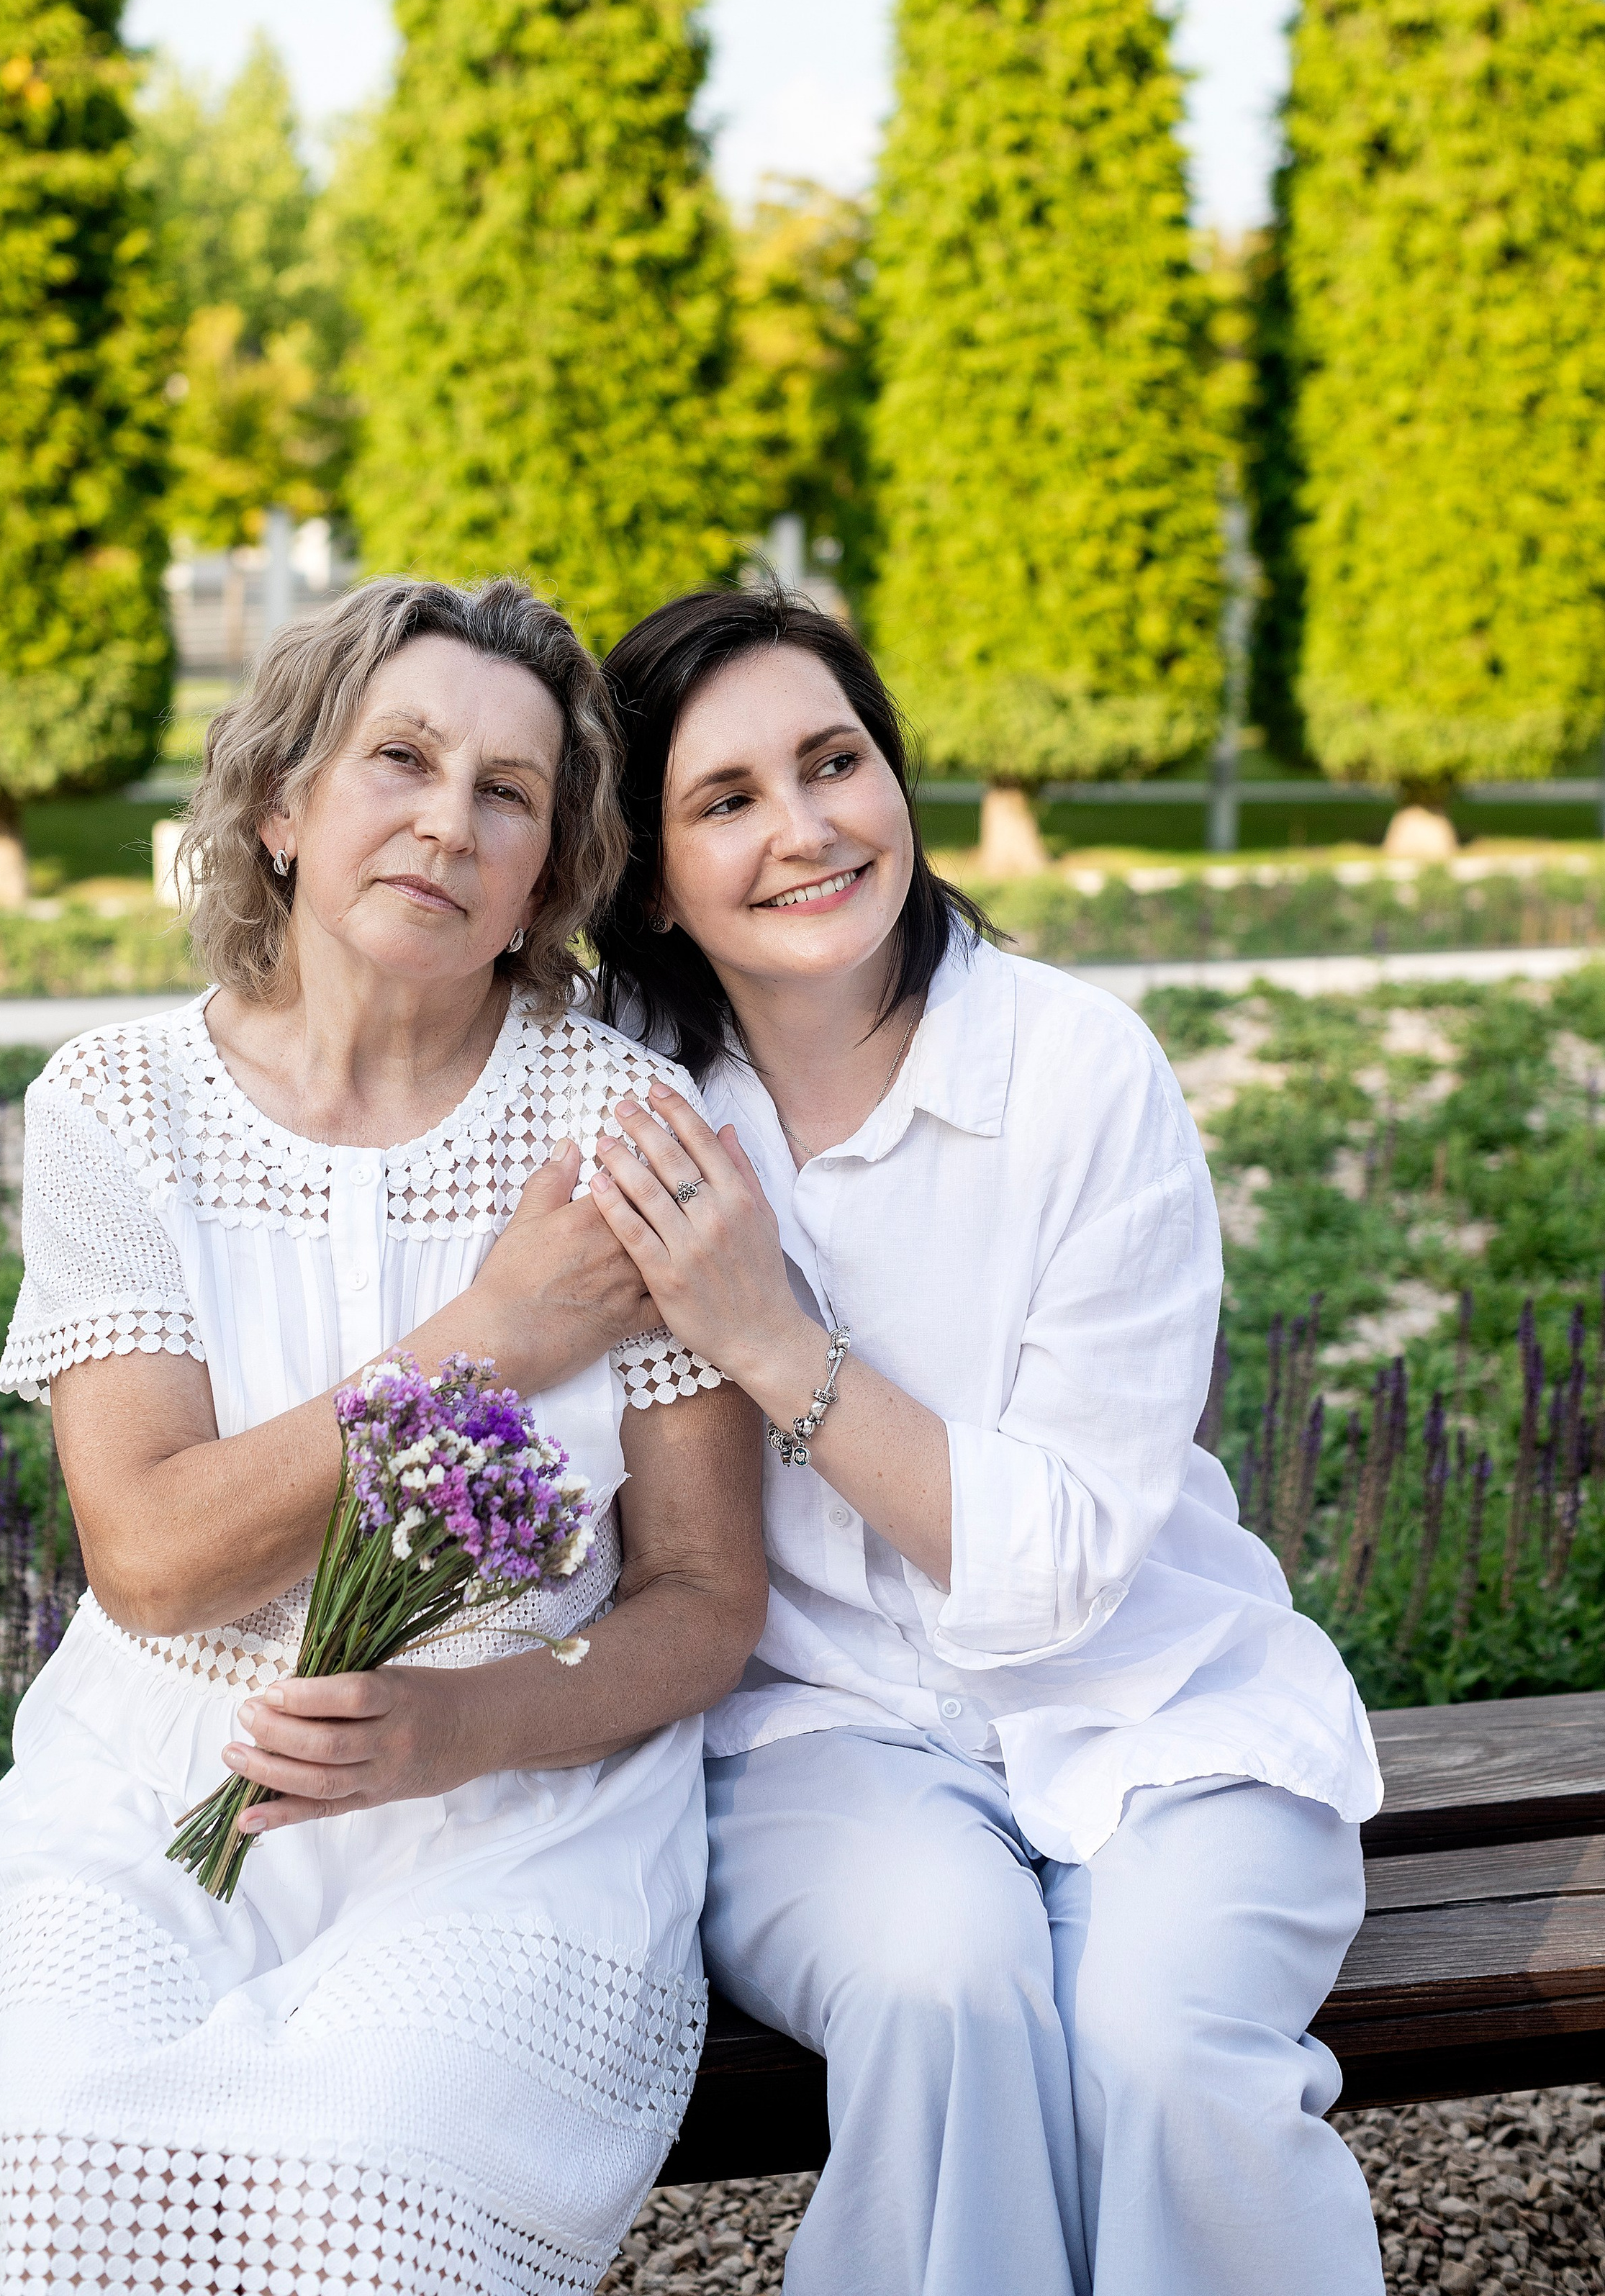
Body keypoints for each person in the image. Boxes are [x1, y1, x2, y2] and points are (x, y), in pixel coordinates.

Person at [0, 577, 767, 2296]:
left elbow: (702, 1593)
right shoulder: (117, 1107)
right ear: (282, 804)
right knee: (73, 2184)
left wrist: (454, 1724)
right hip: (164, 1780)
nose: (447, 822)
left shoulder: (622, 1125)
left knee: (361, 2202)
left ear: (549, 871)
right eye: (400, 757)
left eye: (508, 793)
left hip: (516, 1805)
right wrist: (486, 1342)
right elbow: (152, 1565)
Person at [584, 585, 1385, 2296]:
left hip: (1160, 1713)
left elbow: (1067, 1565)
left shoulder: (1083, 1072)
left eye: (834, 761)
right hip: (815, 1744)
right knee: (945, 1989)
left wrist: (771, 1342)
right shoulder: (622, 1107)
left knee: (1166, 2052)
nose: (805, 830)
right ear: (650, 873)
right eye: (725, 800)